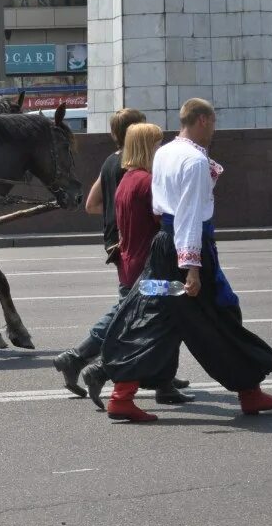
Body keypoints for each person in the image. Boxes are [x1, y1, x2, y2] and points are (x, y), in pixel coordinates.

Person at [97, 99, 272, 422]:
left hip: (162, 247)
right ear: (203, 120)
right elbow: (188, 216)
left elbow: (172, 204)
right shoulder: (193, 161)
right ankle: (250, 392)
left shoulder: (166, 152)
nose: (214, 130)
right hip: (186, 247)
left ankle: (122, 393)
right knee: (219, 315)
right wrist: (192, 268)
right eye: (214, 124)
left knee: (155, 314)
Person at [53, 107, 189, 402]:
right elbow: (164, 219)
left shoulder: (113, 165)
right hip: (145, 257)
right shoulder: (140, 177)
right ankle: (97, 366)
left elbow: (91, 204)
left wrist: (123, 220)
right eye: (155, 142)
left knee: (141, 310)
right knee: (145, 313)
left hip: (123, 248)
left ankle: (161, 377)